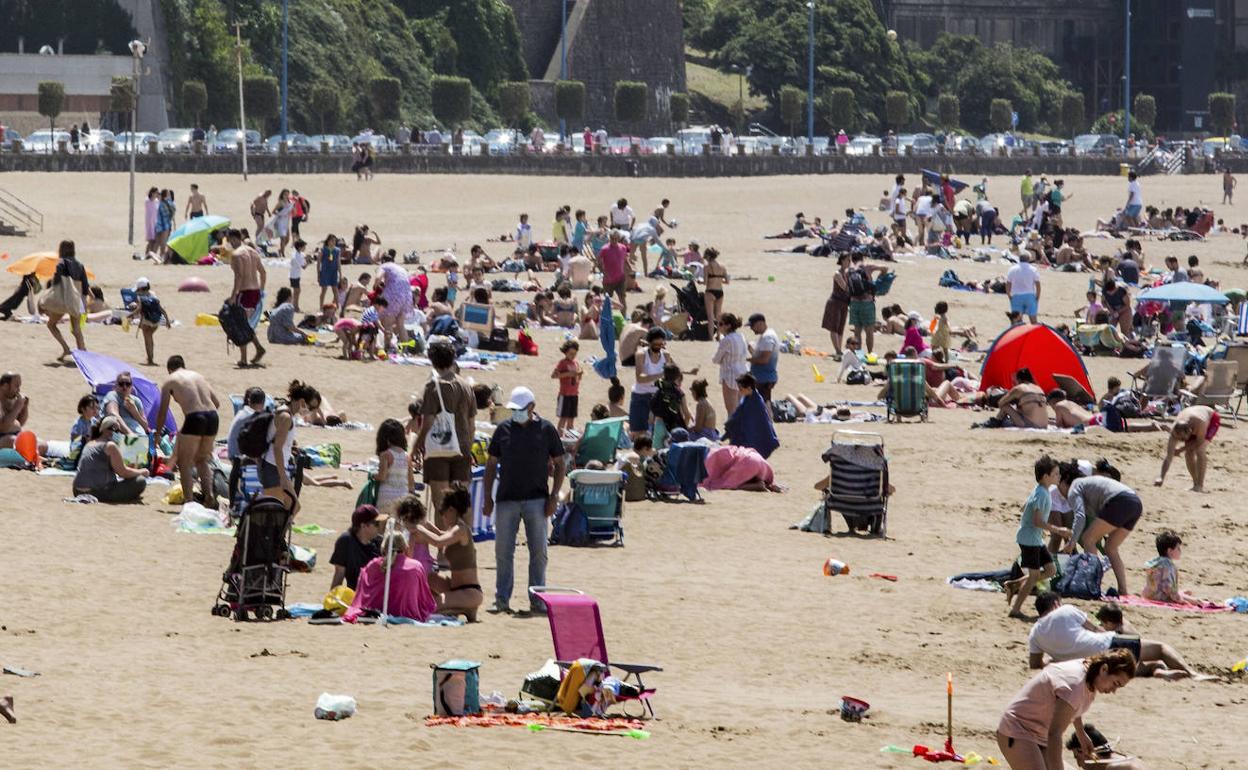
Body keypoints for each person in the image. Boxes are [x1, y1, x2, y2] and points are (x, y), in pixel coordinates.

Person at [483, 386, 567, 616]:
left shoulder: (547, 429)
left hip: (537, 500)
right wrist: (488, 498)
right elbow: (491, 465)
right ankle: (501, 599)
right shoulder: (503, 430)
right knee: (503, 551)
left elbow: (560, 464)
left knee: (539, 552)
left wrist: (553, 497)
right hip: (506, 499)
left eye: (520, 409)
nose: (516, 413)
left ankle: (537, 599)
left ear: (532, 408)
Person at [996, 648, 1137, 770]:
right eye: (1115, 683)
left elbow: (1071, 707)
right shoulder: (1075, 683)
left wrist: (1081, 734)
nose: (1113, 690)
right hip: (1018, 729)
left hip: (1040, 734)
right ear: (1104, 669)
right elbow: (1055, 734)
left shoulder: (1090, 675)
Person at [1029, 592, 1210, 680]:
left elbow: (1035, 664)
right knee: (1160, 648)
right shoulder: (1066, 609)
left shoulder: (1035, 633)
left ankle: (1160, 672)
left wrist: (1056, 658)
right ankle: (1192, 674)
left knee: (1140, 666)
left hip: (1090, 665)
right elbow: (1096, 630)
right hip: (1107, 644)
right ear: (1055, 603)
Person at [1059, 462, 1142, 597]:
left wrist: (1072, 541)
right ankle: (1123, 590)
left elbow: (1080, 517)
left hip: (1120, 501)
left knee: (1088, 539)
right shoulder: (1087, 484)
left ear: (1063, 481)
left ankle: (1091, 584)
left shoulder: (1075, 487)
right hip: (1135, 503)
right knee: (1110, 547)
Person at [413, 341, 477, 511]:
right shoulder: (466, 386)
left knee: (441, 504)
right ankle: (462, 537)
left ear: (432, 361)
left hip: (439, 448)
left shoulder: (433, 387)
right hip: (462, 446)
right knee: (461, 504)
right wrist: (468, 448)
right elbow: (472, 424)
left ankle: (442, 537)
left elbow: (427, 423)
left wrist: (416, 447)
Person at [1004, 456, 1070, 618]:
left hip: (1035, 539)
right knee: (1034, 577)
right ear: (1046, 476)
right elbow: (1038, 521)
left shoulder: (1041, 490)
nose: (1059, 476)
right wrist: (1059, 530)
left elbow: (1025, 506)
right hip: (1029, 540)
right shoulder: (1042, 494)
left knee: (1050, 570)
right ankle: (1016, 610)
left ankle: (1015, 584)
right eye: (1055, 474)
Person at [154, 356, 221, 508]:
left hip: (195, 417)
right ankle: (209, 496)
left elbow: (162, 412)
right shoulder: (198, 376)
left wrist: (157, 434)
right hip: (212, 417)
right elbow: (216, 403)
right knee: (202, 459)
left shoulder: (170, 380)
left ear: (169, 369)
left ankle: (190, 502)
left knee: (184, 463)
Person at [71, 416, 149, 503]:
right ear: (107, 430)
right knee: (140, 481)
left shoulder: (90, 443)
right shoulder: (110, 446)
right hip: (96, 491)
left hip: (77, 490)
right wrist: (142, 472)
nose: (118, 434)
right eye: (117, 430)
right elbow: (123, 473)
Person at [226, 229, 268, 367]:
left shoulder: (237, 254)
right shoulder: (253, 251)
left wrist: (233, 295)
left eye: (229, 240)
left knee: (239, 324)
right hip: (255, 292)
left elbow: (239, 276)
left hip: (244, 292)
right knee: (246, 324)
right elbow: (263, 272)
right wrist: (261, 290)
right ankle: (258, 347)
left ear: (233, 239)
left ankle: (244, 359)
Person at [43, 240, 89, 361]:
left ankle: (65, 348)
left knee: (51, 324)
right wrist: (83, 302)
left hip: (63, 299)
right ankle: (83, 353)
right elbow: (85, 286)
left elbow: (58, 281)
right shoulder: (80, 265)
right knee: (76, 329)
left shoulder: (61, 263)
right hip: (76, 298)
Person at [1155, 405, 1217, 492]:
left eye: (1183, 439)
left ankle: (1200, 485)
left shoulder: (1200, 423)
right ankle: (1195, 483)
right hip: (1191, 418)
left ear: (1190, 432)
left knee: (1200, 450)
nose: (1181, 441)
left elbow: (1199, 441)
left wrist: (1181, 449)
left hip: (1211, 418)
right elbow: (1169, 456)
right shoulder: (1174, 432)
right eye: (1179, 439)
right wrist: (1161, 477)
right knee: (1188, 453)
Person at [329, 505, 384, 591]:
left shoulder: (381, 543)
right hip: (356, 595)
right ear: (363, 526)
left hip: (377, 594)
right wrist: (332, 600)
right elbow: (339, 574)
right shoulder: (345, 542)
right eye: (376, 524)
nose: (380, 527)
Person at [1142, 530, 1204, 605]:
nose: (1180, 551)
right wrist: (1181, 600)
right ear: (1170, 551)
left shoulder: (1155, 562)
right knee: (1197, 601)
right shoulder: (1168, 566)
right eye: (1178, 548)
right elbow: (1167, 588)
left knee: (1186, 592)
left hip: (1148, 595)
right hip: (1161, 598)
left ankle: (1181, 594)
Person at [846, 254, 888, 355]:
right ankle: (869, 353)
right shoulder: (867, 267)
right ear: (862, 258)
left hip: (854, 303)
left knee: (857, 331)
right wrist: (880, 278)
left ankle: (858, 353)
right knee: (869, 331)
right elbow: (885, 268)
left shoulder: (849, 271)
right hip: (867, 302)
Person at [373, 418, 414, 517]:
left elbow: (382, 476)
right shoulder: (407, 456)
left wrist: (373, 476)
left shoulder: (386, 455)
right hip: (402, 497)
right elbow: (411, 482)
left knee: (381, 526)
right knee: (399, 527)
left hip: (386, 496)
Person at [127, 278, 171, 366]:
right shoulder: (153, 295)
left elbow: (138, 309)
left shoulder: (140, 297)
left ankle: (150, 360)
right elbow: (161, 309)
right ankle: (150, 357)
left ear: (140, 288)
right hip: (156, 321)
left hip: (146, 321)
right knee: (150, 338)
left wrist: (130, 315)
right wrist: (167, 321)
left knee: (148, 340)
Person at [712, 313, 749, 415]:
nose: (718, 326)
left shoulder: (726, 340)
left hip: (730, 376)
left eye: (721, 324)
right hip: (742, 373)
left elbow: (716, 359)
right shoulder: (741, 336)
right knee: (741, 408)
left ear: (728, 326)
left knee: (731, 409)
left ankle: (733, 430)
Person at [821, 254, 853, 360]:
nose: (849, 262)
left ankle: (839, 349)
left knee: (841, 328)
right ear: (842, 260)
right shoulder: (837, 273)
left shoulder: (848, 273)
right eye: (848, 260)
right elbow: (845, 287)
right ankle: (837, 350)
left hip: (844, 303)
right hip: (835, 302)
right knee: (834, 327)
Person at [101, 372, 151, 437]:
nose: (124, 387)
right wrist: (130, 434)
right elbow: (113, 415)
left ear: (131, 386)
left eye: (128, 384)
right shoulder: (112, 395)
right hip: (122, 437)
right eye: (121, 384)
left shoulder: (136, 400)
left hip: (140, 438)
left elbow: (145, 426)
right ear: (116, 385)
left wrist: (134, 412)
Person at [747, 313, 780, 405]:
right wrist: (751, 350)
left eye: (752, 326)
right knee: (762, 404)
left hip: (764, 379)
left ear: (760, 324)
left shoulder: (767, 337)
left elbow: (764, 360)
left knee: (764, 405)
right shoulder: (766, 335)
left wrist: (747, 360)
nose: (751, 329)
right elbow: (761, 357)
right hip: (762, 377)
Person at [551, 340, 583, 433]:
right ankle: (559, 438)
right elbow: (554, 375)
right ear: (565, 352)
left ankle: (569, 439)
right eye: (571, 353)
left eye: (575, 353)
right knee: (563, 418)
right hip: (564, 395)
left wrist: (579, 374)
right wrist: (568, 374)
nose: (573, 355)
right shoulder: (562, 363)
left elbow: (577, 378)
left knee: (571, 419)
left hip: (574, 395)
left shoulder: (576, 363)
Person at [597, 229, 630, 312]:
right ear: (610, 238)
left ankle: (624, 319)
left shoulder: (623, 247)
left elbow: (625, 259)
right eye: (612, 239)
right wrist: (603, 272)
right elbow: (598, 262)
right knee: (607, 301)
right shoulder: (604, 249)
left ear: (618, 238)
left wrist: (629, 267)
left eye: (616, 239)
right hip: (608, 280)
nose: (614, 241)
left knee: (622, 299)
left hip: (620, 279)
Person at [1006, 253, 1041, 325]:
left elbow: (1008, 283)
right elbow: (1038, 284)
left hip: (1016, 295)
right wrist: (1037, 297)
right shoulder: (1033, 269)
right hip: (1030, 295)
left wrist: (1009, 294)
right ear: (1029, 259)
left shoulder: (1012, 269)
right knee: (1033, 320)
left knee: (1016, 321)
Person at [703, 248, 728, 336]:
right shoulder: (722, 266)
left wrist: (700, 281)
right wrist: (718, 280)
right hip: (720, 292)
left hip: (710, 291)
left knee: (710, 317)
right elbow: (727, 281)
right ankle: (718, 335)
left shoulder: (707, 266)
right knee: (718, 316)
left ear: (708, 256)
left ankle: (710, 338)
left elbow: (705, 282)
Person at [317, 235, 342, 310]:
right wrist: (318, 274)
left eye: (334, 241)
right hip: (325, 272)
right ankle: (321, 307)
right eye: (332, 240)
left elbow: (338, 262)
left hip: (333, 272)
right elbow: (318, 262)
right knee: (324, 290)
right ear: (328, 241)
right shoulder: (323, 250)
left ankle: (337, 306)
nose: (333, 242)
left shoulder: (337, 250)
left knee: (335, 290)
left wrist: (340, 273)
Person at [288, 238, 307, 312]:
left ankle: (293, 305)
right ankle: (295, 306)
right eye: (303, 247)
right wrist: (308, 261)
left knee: (296, 291)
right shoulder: (297, 256)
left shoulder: (297, 253)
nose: (304, 248)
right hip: (294, 276)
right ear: (300, 247)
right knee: (297, 291)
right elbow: (304, 267)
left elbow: (303, 256)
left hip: (294, 275)